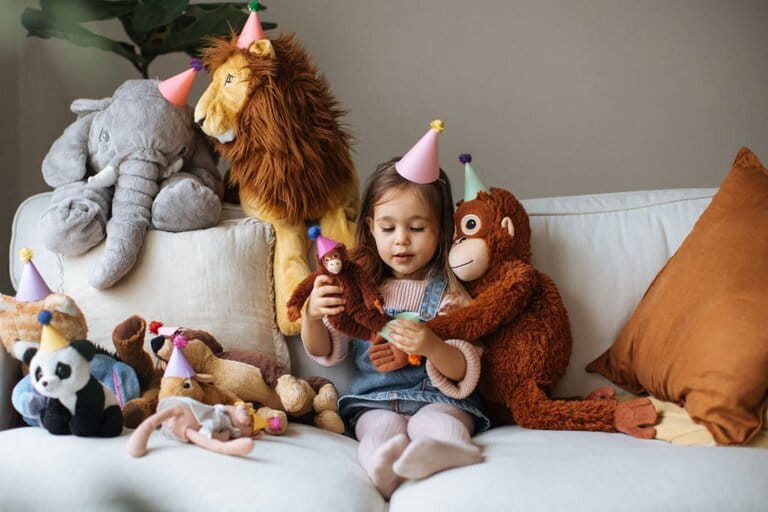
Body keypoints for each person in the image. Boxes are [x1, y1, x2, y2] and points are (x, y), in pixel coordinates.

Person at [300, 121, 489, 498]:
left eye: (416, 228)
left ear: (441, 232)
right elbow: (323, 350)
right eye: (388, 229)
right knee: (378, 430)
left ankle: (448, 451)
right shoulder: (357, 290)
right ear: (370, 228)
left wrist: (431, 346)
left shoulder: (450, 293)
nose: (401, 240)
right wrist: (310, 313)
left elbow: (466, 369)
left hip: (440, 398)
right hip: (375, 400)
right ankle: (384, 467)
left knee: (439, 422)